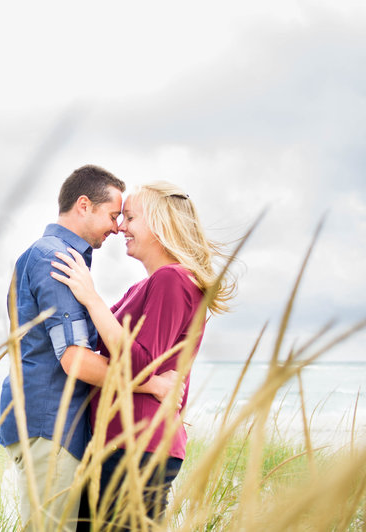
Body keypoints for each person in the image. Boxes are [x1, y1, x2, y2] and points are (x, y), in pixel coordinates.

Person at [0, 167, 184, 532]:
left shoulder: (46, 257)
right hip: (50, 425)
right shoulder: (58, 260)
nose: (117, 227)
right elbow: (74, 359)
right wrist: (152, 385)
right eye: (114, 215)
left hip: (47, 423)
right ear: (84, 205)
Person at [50, 181, 235, 529]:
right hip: (119, 445)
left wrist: (91, 297)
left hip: (136, 447)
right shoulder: (143, 287)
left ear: (161, 225)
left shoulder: (173, 279)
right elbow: (101, 344)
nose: (121, 227)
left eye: (131, 218)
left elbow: (135, 362)